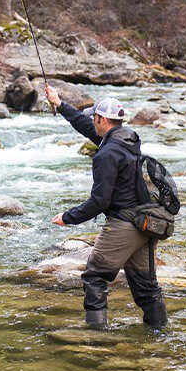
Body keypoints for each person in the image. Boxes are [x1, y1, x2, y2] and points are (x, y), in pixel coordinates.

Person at [44, 85, 168, 329]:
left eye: (95, 117)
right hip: (145, 223)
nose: (93, 121)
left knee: (94, 277)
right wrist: (60, 104)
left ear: (102, 119)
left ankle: (97, 336)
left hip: (123, 225)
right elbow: (88, 129)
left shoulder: (106, 154)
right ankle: (159, 335)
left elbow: (100, 202)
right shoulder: (127, 139)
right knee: (146, 287)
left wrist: (68, 218)